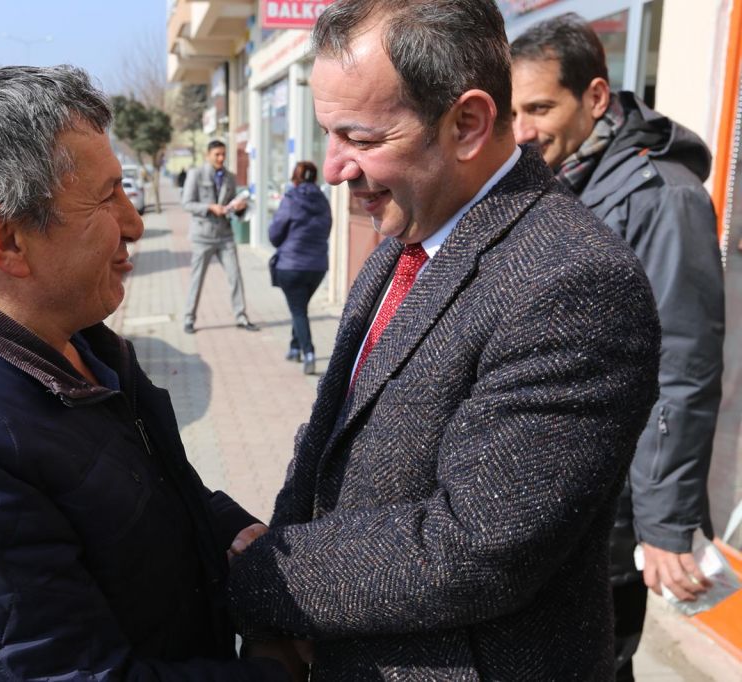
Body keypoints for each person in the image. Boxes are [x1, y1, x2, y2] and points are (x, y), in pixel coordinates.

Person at [0, 65, 296, 681]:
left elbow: (130, 495)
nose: (134, 222)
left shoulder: (66, 344)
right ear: (6, 239)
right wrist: (275, 667)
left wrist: (232, 534)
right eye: (106, 197)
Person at [226, 1, 662, 679]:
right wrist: (281, 599)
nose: (335, 167)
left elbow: (479, 546)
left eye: (363, 139)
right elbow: (326, 441)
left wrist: (264, 575)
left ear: (467, 124)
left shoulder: (572, 281)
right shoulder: (402, 243)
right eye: (328, 135)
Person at [510, 14, 725, 680]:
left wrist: (664, 524)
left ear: (596, 98)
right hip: (557, 493)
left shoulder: (664, 200)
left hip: (612, 510)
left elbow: (682, 367)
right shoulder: (562, 181)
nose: (522, 129)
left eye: (540, 107)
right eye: (514, 110)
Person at [182, 139, 259, 333]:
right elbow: (187, 203)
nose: (221, 158)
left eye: (223, 154)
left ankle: (241, 317)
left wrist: (238, 208)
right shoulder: (196, 174)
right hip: (203, 236)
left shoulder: (230, 177)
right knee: (197, 279)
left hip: (225, 235)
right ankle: (188, 319)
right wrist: (209, 207)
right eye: (217, 154)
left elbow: (232, 208)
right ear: (208, 155)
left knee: (235, 276)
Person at [268, 161, 332, 375]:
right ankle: (294, 348)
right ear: (314, 178)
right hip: (317, 267)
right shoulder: (323, 201)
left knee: (298, 310)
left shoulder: (291, 199)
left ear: (295, 178)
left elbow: (275, 234)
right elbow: (327, 229)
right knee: (300, 308)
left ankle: (309, 352)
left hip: (291, 266)